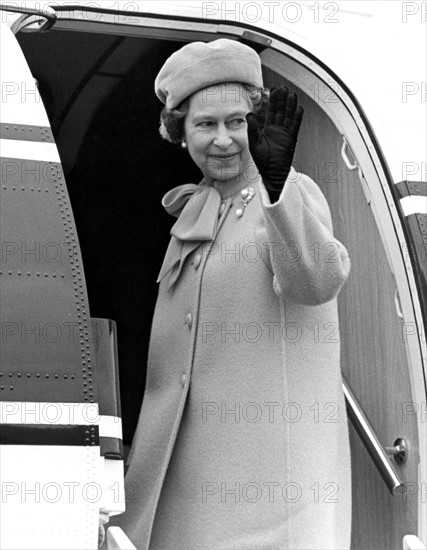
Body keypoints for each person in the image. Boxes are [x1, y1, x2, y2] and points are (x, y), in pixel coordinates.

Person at [115, 38, 352, 549]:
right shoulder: (194, 214)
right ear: (180, 134)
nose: (222, 139)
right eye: (205, 124)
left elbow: (316, 282)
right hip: (185, 482)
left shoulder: (291, 194)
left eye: (237, 122)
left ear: (257, 124)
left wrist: (277, 183)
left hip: (268, 496)